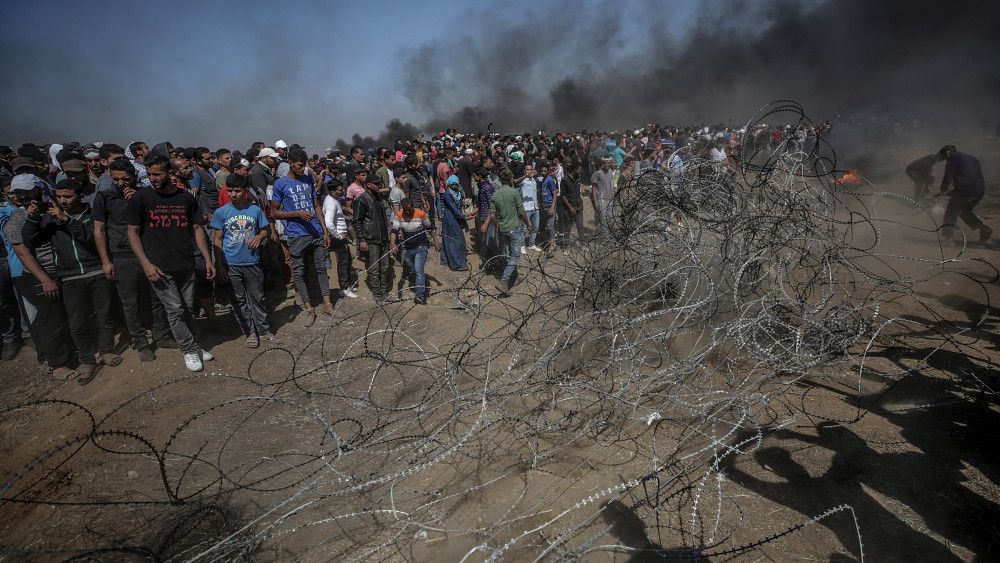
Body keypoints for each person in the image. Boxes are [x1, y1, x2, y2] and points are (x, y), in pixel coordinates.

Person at [22, 179, 121, 382]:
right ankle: (87, 360)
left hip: (96, 271)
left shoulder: (92, 214)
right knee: (76, 322)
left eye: (68, 196)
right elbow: (30, 241)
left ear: (80, 196)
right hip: (69, 276)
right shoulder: (50, 218)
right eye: (59, 197)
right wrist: (32, 219)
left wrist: (66, 220)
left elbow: (91, 238)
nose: (63, 201)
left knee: (105, 315)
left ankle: (106, 351)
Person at [127, 155, 216, 372]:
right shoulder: (141, 198)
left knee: (187, 307)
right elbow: (132, 232)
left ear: (171, 173)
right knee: (175, 309)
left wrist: (206, 259)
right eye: (149, 175)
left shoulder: (186, 198)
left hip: (185, 263)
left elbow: (197, 229)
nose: (152, 179)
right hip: (159, 267)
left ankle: (194, 345)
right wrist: (146, 264)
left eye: (156, 174)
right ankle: (188, 349)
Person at [211, 174, 279, 348]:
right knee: (238, 300)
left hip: (252, 262)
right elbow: (217, 240)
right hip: (230, 263)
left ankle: (263, 331)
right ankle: (249, 331)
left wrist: (259, 236)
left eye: (237, 191)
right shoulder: (221, 212)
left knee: (257, 297)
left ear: (245, 190)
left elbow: (265, 230)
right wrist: (219, 266)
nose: (234, 194)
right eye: (230, 191)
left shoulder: (254, 210)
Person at [269, 148, 333, 326]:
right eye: (299, 165)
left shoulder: (307, 179)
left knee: (321, 268)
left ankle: (327, 304)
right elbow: (273, 212)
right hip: (297, 234)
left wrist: (324, 231)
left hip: (315, 232)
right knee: (298, 271)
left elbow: (316, 206)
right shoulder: (280, 184)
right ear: (290, 163)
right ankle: (309, 308)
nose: (302, 168)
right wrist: (296, 214)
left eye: (304, 165)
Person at [482, 168, 532, 295]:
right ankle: (504, 281)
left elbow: (492, 215)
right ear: (511, 179)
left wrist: (497, 226)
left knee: (508, 254)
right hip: (514, 228)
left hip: (502, 229)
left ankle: (514, 276)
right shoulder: (514, 192)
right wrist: (528, 224)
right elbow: (521, 212)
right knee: (515, 255)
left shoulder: (496, 194)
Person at [936, 145, 991, 242]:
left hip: (966, 191)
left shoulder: (953, 160)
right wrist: (953, 192)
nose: (945, 159)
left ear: (948, 153)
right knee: (963, 210)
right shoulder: (972, 158)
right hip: (979, 191)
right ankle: (984, 229)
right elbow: (970, 178)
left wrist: (943, 190)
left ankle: (947, 238)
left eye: (944, 156)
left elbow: (947, 178)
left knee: (951, 211)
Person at [390, 197, 440, 305]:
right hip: (408, 247)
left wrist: (436, 242)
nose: (408, 212)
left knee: (418, 270)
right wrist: (393, 243)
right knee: (410, 265)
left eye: (410, 209)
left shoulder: (421, 214)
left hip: (421, 245)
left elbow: (430, 228)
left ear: (413, 206)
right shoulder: (398, 215)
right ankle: (422, 282)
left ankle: (420, 296)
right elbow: (394, 230)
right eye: (405, 210)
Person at [354, 174, 393, 303]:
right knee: (374, 268)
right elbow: (357, 221)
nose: (379, 186)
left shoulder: (378, 198)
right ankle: (377, 293)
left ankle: (384, 291)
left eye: (380, 183)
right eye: (376, 183)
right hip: (371, 240)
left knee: (385, 266)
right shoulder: (362, 200)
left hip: (382, 239)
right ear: (369, 184)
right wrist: (362, 240)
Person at [321, 178, 358, 299]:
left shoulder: (333, 200)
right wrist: (338, 235)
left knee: (347, 259)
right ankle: (345, 288)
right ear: (332, 191)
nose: (343, 191)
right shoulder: (331, 203)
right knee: (343, 262)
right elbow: (328, 223)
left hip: (340, 235)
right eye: (340, 190)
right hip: (337, 237)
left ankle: (346, 285)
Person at [439, 175, 471, 271]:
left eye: (455, 183)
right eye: (452, 183)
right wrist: (464, 216)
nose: (454, 185)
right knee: (456, 241)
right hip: (450, 219)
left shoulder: (459, 192)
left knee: (450, 240)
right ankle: (457, 264)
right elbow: (453, 208)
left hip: (455, 218)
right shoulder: (448, 194)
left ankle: (448, 260)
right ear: (449, 183)